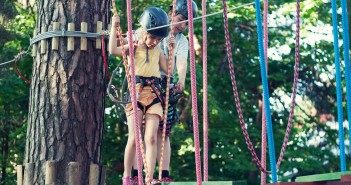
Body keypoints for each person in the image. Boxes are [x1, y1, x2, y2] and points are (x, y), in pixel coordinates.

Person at [131, 0, 198, 183]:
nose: (184, 25)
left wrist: (182, 80)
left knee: (163, 132)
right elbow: (137, 38)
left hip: (164, 86)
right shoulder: (154, 26)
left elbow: (182, 61)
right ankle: (137, 172)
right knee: (143, 129)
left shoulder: (181, 40)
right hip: (145, 83)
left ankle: (164, 173)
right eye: (182, 19)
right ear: (171, 13)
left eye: (187, 23)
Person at [109, 7, 174, 185]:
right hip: (135, 93)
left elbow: (168, 69)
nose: (154, 42)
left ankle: (149, 177)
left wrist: (171, 49)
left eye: (158, 39)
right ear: (144, 31)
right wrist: (114, 27)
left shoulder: (157, 49)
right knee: (135, 137)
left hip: (153, 93)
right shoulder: (134, 43)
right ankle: (127, 176)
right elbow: (113, 50)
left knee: (151, 137)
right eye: (152, 37)